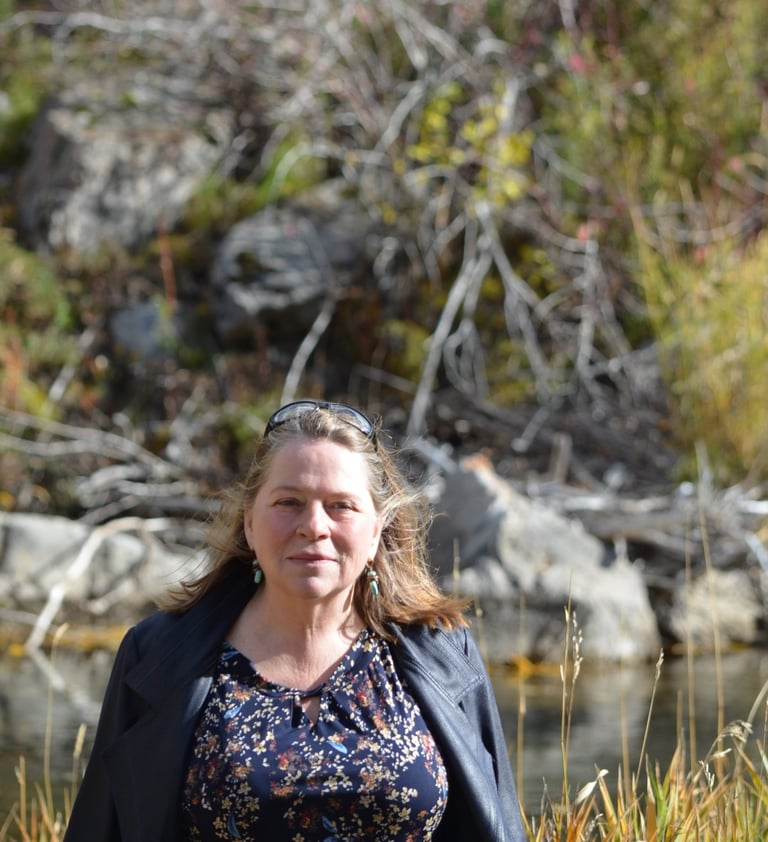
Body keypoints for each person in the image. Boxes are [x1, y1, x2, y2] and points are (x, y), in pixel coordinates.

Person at [64, 400, 527, 842]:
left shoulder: (443, 653)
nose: (314, 525)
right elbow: (102, 828)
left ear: (376, 532)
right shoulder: (160, 655)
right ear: (249, 522)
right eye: (289, 502)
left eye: (341, 505)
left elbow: (497, 824)